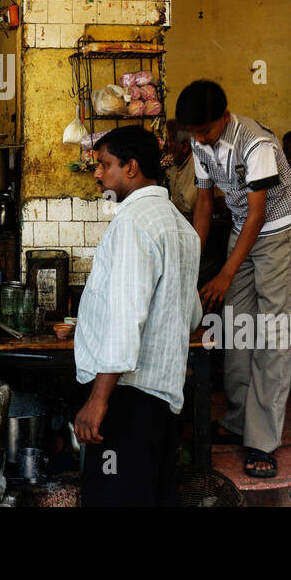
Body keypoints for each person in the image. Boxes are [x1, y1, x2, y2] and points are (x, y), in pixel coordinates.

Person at [175, 81, 291, 479]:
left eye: (206, 131)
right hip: (241, 233)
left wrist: (226, 272)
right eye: (193, 132)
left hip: (276, 233)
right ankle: (236, 421)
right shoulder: (198, 141)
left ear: (224, 118)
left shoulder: (255, 143)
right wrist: (190, 265)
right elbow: (204, 204)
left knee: (272, 335)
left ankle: (262, 440)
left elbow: (258, 215)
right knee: (235, 327)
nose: (199, 139)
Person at [73, 126, 201, 506]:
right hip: (162, 398)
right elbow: (191, 313)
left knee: (114, 496)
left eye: (104, 165)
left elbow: (127, 317)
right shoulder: (180, 225)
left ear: (131, 167)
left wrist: (98, 399)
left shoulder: (133, 223)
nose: (97, 174)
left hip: (126, 397)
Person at [161, 118, 197, 215]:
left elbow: (188, 206)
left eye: (170, 141)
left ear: (184, 146)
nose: (167, 146)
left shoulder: (197, 165)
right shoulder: (177, 164)